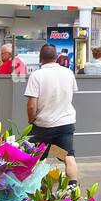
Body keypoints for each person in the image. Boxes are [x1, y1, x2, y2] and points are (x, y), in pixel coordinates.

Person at [25, 43, 79, 181]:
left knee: (36, 159)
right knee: (68, 157)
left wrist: (31, 120)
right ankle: (73, 189)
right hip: (66, 123)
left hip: (43, 126)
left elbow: (32, 105)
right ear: (56, 57)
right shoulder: (68, 72)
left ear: (40, 58)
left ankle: (37, 189)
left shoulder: (36, 75)